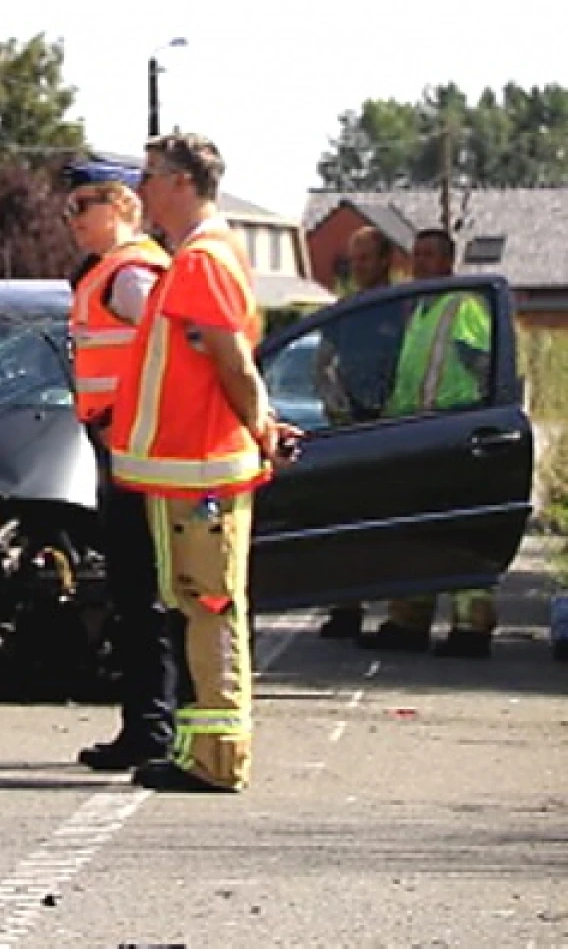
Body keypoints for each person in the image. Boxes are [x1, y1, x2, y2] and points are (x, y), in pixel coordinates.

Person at [109, 132, 301, 794]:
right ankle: (203, 752)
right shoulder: (195, 257)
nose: (141, 189)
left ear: (184, 183)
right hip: (188, 470)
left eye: (152, 175)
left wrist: (261, 425)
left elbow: (231, 360)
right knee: (199, 604)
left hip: (200, 470)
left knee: (209, 605)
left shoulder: (203, 260)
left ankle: (216, 758)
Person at [61, 159, 177, 772]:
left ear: (125, 205)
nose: (72, 219)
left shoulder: (131, 274)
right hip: (128, 450)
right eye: (70, 207)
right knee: (138, 595)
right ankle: (146, 726)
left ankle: (153, 728)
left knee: (145, 596)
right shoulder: (110, 272)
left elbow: (179, 350)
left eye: (85, 205)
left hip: (142, 454)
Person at [360, 227, 498, 658]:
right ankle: (409, 621)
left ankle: (471, 628)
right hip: (419, 437)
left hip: (456, 434)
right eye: (415, 255)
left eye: (429, 256)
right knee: (419, 533)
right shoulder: (418, 310)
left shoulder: (463, 305)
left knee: (460, 532)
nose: (419, 264)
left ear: (447, 261)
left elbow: (483, 366)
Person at [313, 225, 403, 640]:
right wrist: (337, 408)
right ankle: (346, 606)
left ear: (386, 260)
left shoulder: (402, 308)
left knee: (395, 522)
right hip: (350, 430)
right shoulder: (346, 312)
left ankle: (401, 612)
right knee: (345, 522)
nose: (360, 267)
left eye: (367, 258)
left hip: (396, 427)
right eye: (354, 260)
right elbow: (324, 366)